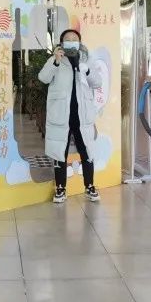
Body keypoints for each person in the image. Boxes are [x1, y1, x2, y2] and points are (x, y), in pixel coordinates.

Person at [38, 28, 101, 203]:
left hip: (82, 116)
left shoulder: (86, 59)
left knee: (87, 151)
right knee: (60, 152)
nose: (71, 41)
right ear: (62, 42)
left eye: (75, 39)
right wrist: (55, 62)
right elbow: (43, 78)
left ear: (79, 42)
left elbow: (97, 82)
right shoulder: (55, 59)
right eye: (68, 39)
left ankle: (90, 186)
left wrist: (87, 71)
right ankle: (60, 189)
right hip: (61, 115)